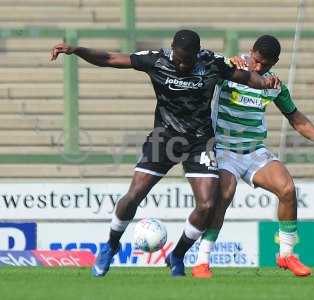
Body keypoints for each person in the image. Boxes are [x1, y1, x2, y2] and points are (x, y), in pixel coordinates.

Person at [50, 29, 280, 277]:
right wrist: (77, 50)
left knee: (207, 204)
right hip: (165, 138)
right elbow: (110, 59)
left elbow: (244, 77)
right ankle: (111, 245)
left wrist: (265, 82)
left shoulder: (210, 63)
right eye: (178, 58)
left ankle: (178, 255)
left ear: (196, 53)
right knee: (134, 195)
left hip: (200, 142)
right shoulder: (156, 60)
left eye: (187, 60)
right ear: (172, 48)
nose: (182, 64)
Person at [191, 35, 314, 278]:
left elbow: (295, 118)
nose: (259, 67)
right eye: (256, 61)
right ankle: (202, 260)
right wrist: (227, 62)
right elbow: (200, 58)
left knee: (287, 189)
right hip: (223, 149)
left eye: (266, 64)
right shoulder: (231, 69)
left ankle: (286, 255)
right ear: (251, 52)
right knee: (224, 194)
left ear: (275, 61)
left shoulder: (274, 85)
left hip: (254, 150)